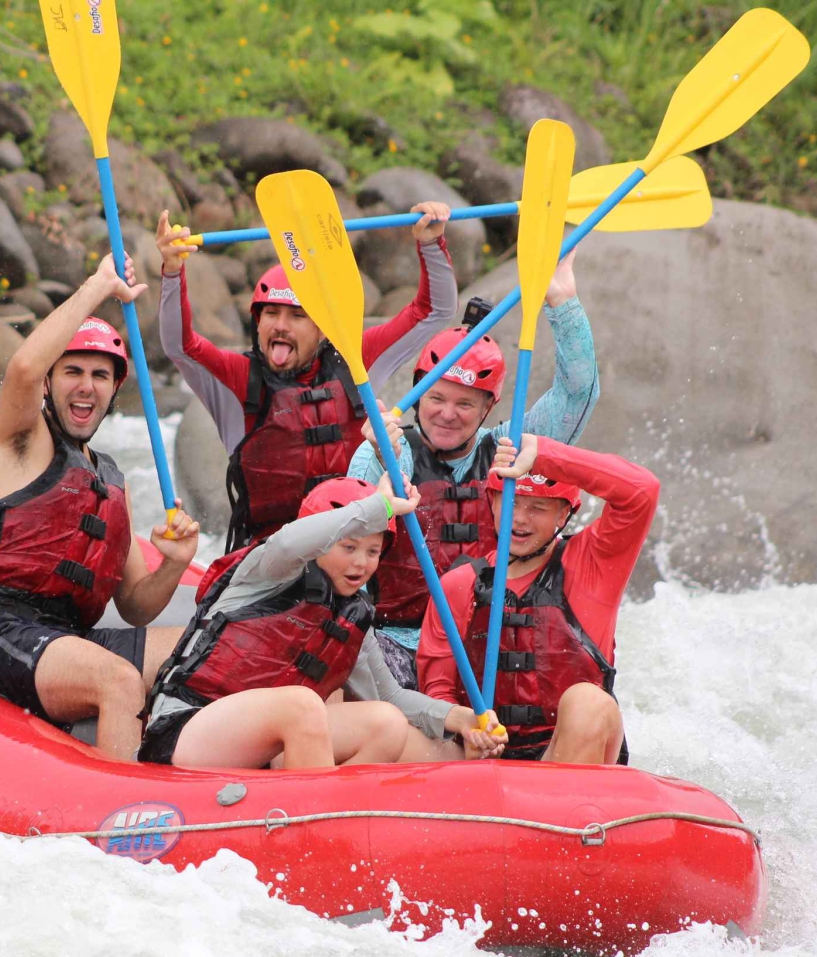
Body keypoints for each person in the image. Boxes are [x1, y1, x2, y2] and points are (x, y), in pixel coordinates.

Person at [0, 254, 201, 760]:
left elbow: (135, 605)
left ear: (113, 389)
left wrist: (172, 565)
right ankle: (125, 821)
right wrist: (98, 285)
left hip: (71, 639)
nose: (87, 385)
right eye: (73, 372)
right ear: (49, 381)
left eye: (100, 376)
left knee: (206, 651)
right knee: (119, 682)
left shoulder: (110, 479)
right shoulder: (20, 441)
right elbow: (21, 367)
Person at [348, 249, 600, 690]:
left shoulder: (509, 449)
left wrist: (562, 303)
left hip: (487, 646)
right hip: (398, 641)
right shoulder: (391, 449)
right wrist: (373, 456)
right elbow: (347, 529)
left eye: (465, 403)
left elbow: (577, 395)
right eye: (436, 399)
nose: (448, 414)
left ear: (488, 407)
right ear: (418, 395)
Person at [140, 475, 506, 769]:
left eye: (373, 551)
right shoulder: (268, 569)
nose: (361, 564)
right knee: (302, 705)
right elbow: (287, 544)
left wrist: (459, 718)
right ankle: (314, 827)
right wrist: (377, 507)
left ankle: (343, 815)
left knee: (386, 723)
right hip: (185, 729)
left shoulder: (351, 615)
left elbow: (389, 695)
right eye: (348, 548)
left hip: (267, 748)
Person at [154, 203, 457, 553]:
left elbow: (434, 311)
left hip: (355, 550)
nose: (280, 325)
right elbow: (180, 345)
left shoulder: (356, 361)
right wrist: (173, 272)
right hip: (273, 554)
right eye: (270, 313)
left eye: (297, 316)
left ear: (322, 329)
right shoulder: (238, 380)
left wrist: (431, 244)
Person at [417, 434, 659, 764]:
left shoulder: (592, 564)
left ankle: (569, 806)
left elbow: (642, 491)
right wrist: (466, 730)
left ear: (563, 516)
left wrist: (543, 455)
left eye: (537, 508)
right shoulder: (458, 585)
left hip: (568, 755)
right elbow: (438, 690)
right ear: (492, 501)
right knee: (405, 733)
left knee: (589, 701)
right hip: (486, 762)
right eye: (512, 501)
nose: (519, 518)